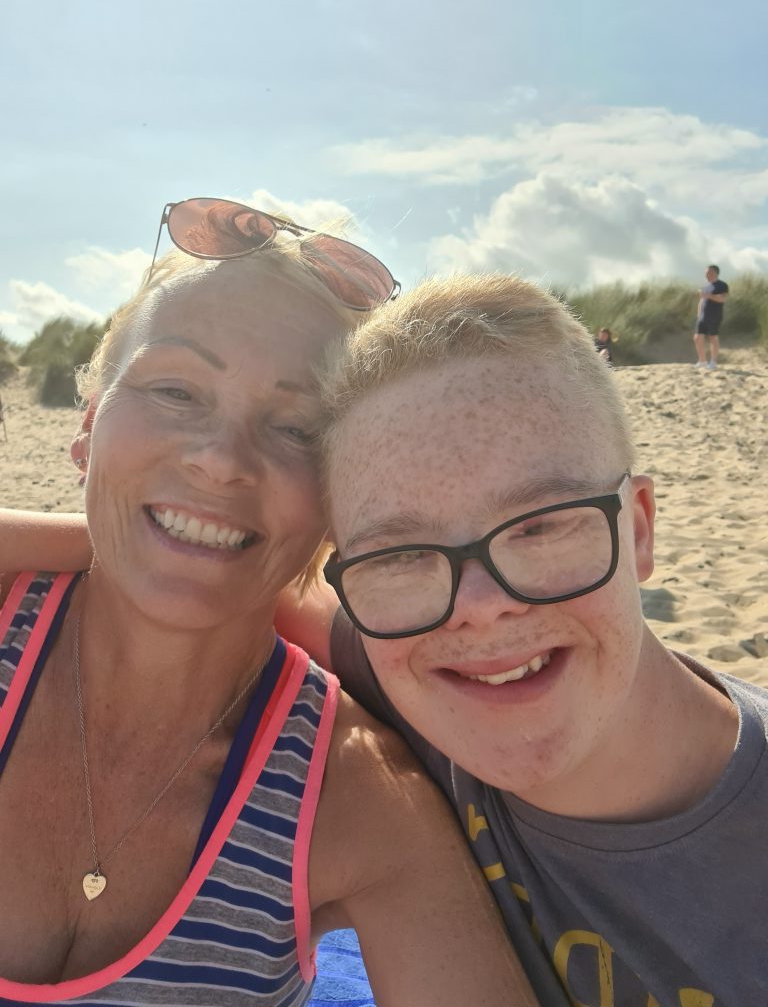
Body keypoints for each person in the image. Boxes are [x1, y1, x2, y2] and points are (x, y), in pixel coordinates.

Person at [0, 205, 536, 1007]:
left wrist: (136, 536)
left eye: (295, 428)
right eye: (175, 389)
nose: (220, 461)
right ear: (87, 430)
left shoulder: (356, 797)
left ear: (343, 498)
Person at [311, 275, 764, 1005]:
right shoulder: (397, 651)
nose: (480, 611)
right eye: (400, 554)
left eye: (540, 526)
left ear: (638, 528)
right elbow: (227, 585)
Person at [694, 264, 728, 368]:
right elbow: (701, 300)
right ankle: (702, 361)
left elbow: (722, 298)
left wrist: (708, 295)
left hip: (715, 315)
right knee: (697, 337)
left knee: (713, 337)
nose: (706, 274)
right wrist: (699, 313)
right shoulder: (705, 286)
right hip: (702, 316)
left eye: (708, 272)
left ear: (715, 273)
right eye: (706, 273)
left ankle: (713, 362)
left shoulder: (721, 285)